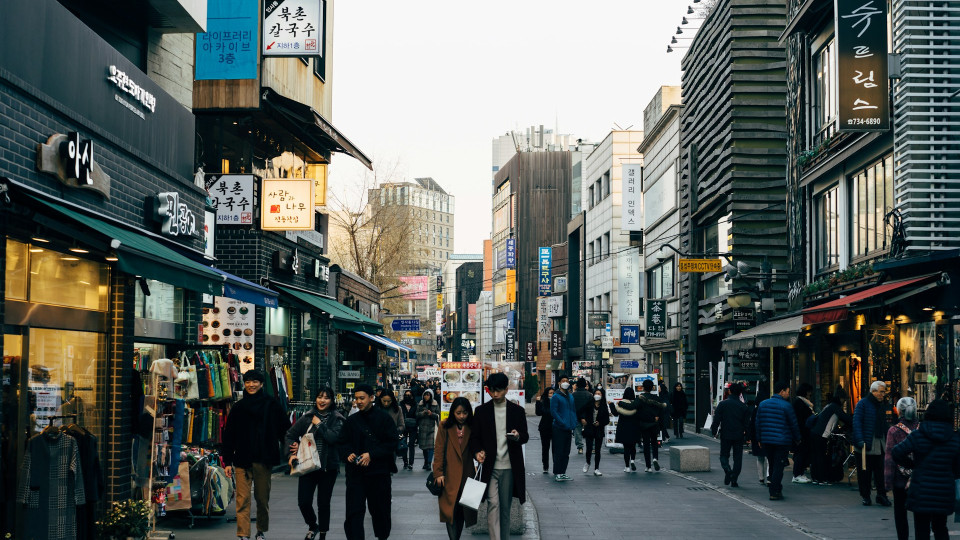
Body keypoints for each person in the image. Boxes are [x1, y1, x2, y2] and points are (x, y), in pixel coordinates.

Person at [222, 369, 288, 540]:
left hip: (263, 458)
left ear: (262, 384)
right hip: (242, 459)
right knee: (242, 499)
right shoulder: (238, 407)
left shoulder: (272, 405)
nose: (251, 385)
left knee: (262, 498)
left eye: (255, 382)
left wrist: (291, 451)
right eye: (248, 382)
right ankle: (243, 534)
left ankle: (261, 530)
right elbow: (229, 435)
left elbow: (285, 429)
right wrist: (227, 461)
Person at [469, 373, 529, 540]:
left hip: (510, 467)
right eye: (491, 390)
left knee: (505, 509)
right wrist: (478, 451)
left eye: (498, 390)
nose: (495, 394)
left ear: (506, 390)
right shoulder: (481, 411)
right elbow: (474, 438)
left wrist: (517, 436)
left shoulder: (517, 411)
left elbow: (525, 436)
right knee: (493, 504)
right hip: (490, 467)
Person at [893, 399, 960, 540]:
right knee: (941, 527)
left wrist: (913, 465)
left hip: (921, 488)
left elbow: (896, 452)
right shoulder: (954, 439)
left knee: (921, 528)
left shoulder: (918, 435)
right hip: (944, 490)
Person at [285, 386, 345, 540]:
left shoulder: (337, 419)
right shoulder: (306, 417)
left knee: (323, 503)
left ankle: (323, 534)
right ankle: (313, 525)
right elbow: (290, 435)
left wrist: (319, 424)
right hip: (307, 465)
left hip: (328, 467)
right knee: (303, 502)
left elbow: (333, 438)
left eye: (326, 398)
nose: (322, 400)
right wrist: (292, 453)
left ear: (331, 401)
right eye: (319, 397)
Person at [340, 383, 398, 540]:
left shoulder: (384, 419)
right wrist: (348, 454)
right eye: (356, 398)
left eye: (362, 398)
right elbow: (343, 442)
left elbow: (392, 443)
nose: (358, 401)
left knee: (380, 511)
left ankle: (382, 536)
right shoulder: (351, 421)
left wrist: (371, 454)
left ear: (372, 398)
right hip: (356, 474)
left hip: (378, 473)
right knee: (354, 513)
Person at [433, 397, 478, 540]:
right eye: (458, 413)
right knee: (449, 511)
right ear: (453, 412)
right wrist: (438, 473)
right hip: (449, 475)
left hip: (468, 474)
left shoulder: (473, 426)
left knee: (463, 511)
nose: (461, 416)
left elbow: (478, 447)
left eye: (464, 413)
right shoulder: (444, 426)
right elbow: (438, 450)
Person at [755, 381, 800, 501]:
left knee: (772, 464)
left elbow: (758, 423)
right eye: (787, 391)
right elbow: (793, 424)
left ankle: (776, 487)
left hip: (767, 441)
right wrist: (797, 438)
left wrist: (759, 438)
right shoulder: (786, 406)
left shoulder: (763, 404)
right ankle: (774, 491)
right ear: (782, 391)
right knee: (779, 466)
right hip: (782, 441)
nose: (788, 394)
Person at [853, 380, 892, 507]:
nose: (883, 394)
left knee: (881, 471)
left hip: (880, 442)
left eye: (884, 392)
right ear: (873, 391)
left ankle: (882, 495)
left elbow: (885, 424)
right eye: (881, 392)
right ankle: (866, 496)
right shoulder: (863, 403)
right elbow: (857, 422)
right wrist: (860, 440)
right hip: (866, 442)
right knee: (865, 472)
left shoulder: (882, 405)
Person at [885, 397, 919, 540]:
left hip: (900, 479)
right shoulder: (922, 428)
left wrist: (887, 483)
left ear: (899, 411)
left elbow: (889, 459)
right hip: (918, 479)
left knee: (900, 513)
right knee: (919, 514)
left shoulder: (893, 430)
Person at [809, 387, 852, 485]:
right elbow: (846, 419)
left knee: (815, 456)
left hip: (814, 432)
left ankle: (815, 477)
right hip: (822, 434)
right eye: (844, 399)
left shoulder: (828, 406)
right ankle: (822, 479)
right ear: (840, 398)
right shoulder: (835, 407)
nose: (844, 401)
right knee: (821, 456)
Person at [712, 382, 750, 487]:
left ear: (729, 391)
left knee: (724, 455)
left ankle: (727, 469)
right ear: (740, 393)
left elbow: (717, 419)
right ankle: (734, 479)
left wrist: (714, 430)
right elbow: (747, 424)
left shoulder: (723, 404)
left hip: (726, 434)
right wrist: (748, 436)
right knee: (738, 458)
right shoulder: (744, 407)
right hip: (738, 435)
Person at [628, 379, 666, 473]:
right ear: (652, 387)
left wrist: (620, 403)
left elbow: (633, 407)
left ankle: (648, 466)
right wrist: (657, 417)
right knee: (654, 443)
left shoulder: (640, 398)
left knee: (646, 445)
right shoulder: (656, 398)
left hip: (644, 424)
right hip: (654, 424)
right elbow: (662, 409)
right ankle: (655, 458)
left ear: (643, 387)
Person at [549, 375, 577, 482]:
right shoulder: (556, 396)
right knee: (559, 451)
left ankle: (563, 472)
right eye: (563, 381)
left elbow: (573, 410)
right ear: (559, 383)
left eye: (567, 381)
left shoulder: (570, 396)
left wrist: (573, 422)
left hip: (568, 427)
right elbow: (554, 412)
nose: (565, 382)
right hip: (559, 427)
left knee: (566, 451)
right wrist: (562, 422)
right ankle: (558, 472)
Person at [579, 387, 609, 476]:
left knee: (597, 450)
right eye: (596, 393)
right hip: (589, 429)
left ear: (602, 396)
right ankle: (587, 462)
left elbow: (607, 420)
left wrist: (600, 423)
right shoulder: (589, 404)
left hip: (599, 430)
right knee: (589, 448)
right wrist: (582, 419)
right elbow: (580, 411)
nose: (597, 395)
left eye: (599, 394)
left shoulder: (604, 406)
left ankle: (596, 468)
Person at [611, 387, 641, 472]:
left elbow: (615, 413)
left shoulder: (621, 403)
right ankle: (632, 460)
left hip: (624, 427)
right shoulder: (635, 404)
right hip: (634, 427)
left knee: (626, 448)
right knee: (633, 446)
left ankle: (627, 467)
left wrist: (611, 405)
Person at [791, 382, 815, 484]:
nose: (810, 394)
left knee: (801, 453)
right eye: (809, 392)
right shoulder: (800, 403)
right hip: (801, 433)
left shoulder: (800, 402)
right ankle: (797, 474)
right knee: (800, 453)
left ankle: (800, 473)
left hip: (802, 433)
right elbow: (800, 419)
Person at [377, 390, 405, 468]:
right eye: (384, 401)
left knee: (389, 467)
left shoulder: (397, 409)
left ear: (392, 400)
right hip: (377, 442)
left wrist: (394, 430)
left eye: (388, 401)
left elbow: (402, 425)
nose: (386, 403)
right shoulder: (375, 409)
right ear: (380, 399)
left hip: (391, 442)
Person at [417, 389, 440, 470]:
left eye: (428, 395)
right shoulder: (420, 404)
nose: (426, 396)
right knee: (424, 447)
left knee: (431, 447)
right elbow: (416, 414)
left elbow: (438, 415)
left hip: (432, 427)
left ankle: (429, 463)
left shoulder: (435, 404)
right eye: (425, 395)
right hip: (422, 427)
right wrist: (422, 413)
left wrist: (431, 414)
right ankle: (426, 461)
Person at [534, 388, 555, 474]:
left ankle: (556, 466)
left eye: (553, 393)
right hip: (545, 427)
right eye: (550, 393)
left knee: (556, 449)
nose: (552, 395)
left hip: (555, 427)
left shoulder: (557, 402)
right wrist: (538, 402)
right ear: (547, 394)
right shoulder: (543, 402)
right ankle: (545, 466)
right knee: (545, 448)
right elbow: (539, 413)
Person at [571, 378, 592, 455]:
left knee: (577, 432)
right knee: (589, 432)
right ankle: (591, 447)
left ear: (577, 385)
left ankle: (580, 447)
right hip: (587, 417)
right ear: (584, 385)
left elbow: (572, 408)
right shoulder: (589, 395)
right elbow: (591, 408)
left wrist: (580, 417)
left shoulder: (573, 395)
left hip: (577, 416)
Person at [400, 390, 418, 470]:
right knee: (403, 444)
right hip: (403, 426)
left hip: (413, 426)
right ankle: (405, 462)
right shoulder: (401, 404)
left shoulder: (415, 404)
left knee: (411, 444)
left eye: (409, 395)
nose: (408, 396)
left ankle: (411, 463)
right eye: (406, 395)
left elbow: (417, 415)